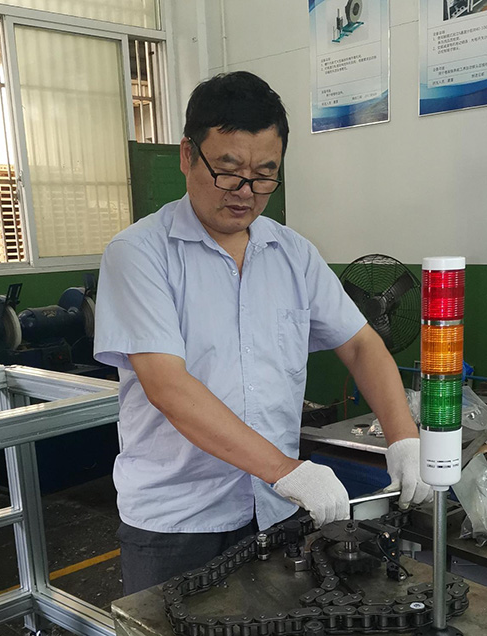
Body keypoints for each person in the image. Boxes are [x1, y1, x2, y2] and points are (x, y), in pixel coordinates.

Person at [94, 70, 432, 595]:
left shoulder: (294, 254)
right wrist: (286, 469)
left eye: (264, 175)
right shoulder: (139, 254)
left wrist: (403, 436)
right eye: (228, 172)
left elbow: (361, 343)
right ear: (187, 155)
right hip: (176, 522)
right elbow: (168, 386)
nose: (246, 192)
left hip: (276, 510)